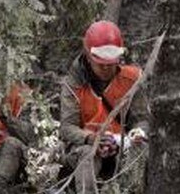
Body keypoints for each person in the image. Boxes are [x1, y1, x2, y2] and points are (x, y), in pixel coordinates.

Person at [60, 20, 148, 179]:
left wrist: (138, 133)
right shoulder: (73, 85)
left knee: (140, 148)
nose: (106, 68)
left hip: (122, 147)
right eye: (101, 64)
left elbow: (142, 119)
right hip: (86, 149)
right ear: (88, 57)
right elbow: (67, 127)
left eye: (111, 64)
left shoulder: (132, 79)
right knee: (89, 155)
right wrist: (91, 139)